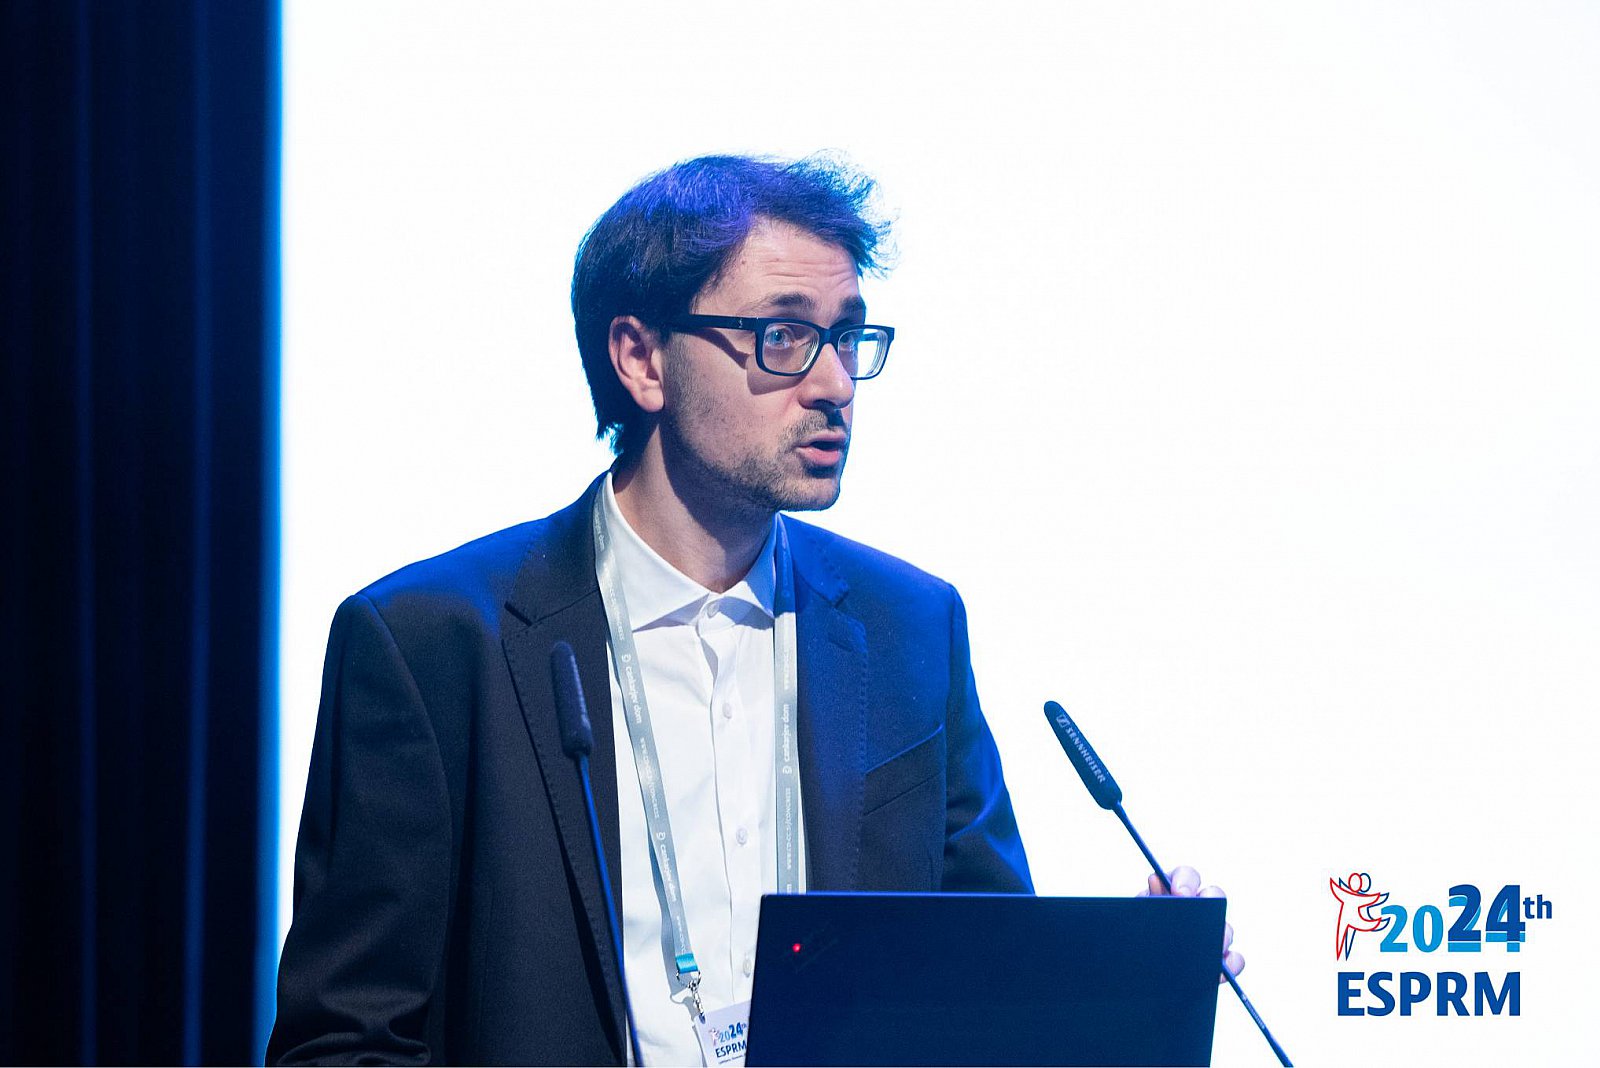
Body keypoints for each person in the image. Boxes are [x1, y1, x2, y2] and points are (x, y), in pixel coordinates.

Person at [267, 154, 1236, 1066]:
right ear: (641, 359)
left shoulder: (908, 628)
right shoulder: (434, 644)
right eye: (784, 336)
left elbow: (978, 988)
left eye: (847, 336)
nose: (835, 385)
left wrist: (1125, 978)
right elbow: (347, 1039)